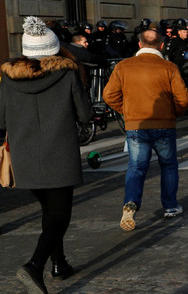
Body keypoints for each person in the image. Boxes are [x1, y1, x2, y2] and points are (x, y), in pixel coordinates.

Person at [1, 16, 92, 293]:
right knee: (60, 215)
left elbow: (2, 119)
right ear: (53, 48)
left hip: (25, 155)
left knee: (50, 211)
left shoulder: (8, 77)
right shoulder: (67, 74)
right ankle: (34, 265)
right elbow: (85, 115)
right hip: (59, 154)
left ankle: (59, 262)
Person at [103, 29, 188, 231]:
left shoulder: (123, 66)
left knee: (136, 166)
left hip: (137, 124)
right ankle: (170, 206)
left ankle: (131, 202)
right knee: (168, 165)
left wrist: (126, 111)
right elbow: (183, 98)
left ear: (140, 45)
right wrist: (174, 113)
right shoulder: (169, 67)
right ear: (161, 46)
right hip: (164, 124)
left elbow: (109, 95)